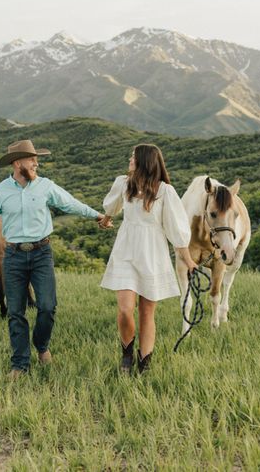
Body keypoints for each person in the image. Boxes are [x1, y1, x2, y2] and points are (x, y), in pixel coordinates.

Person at [0, 139, 110, 380]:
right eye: (31, 159)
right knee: (16, 312)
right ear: (17, 164)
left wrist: (97, 215)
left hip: (41, 253)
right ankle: (20, 364)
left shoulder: (46, 186)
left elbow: (70, 204)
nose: (36, 163)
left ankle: (41, 344)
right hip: (12, 256)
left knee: (47, 306)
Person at [100, 143, 197, 374]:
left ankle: (144, 363)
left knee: (146, 311)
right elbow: (111, 207)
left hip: (153, 253)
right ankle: (127, 354)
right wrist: (105, 218)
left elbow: (176, 230)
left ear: (145, 161)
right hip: (126, 251)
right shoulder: (123, 184)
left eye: (133, 157)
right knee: (125, 309)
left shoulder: (165, 192)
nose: (130, 160)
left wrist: (188, 260)